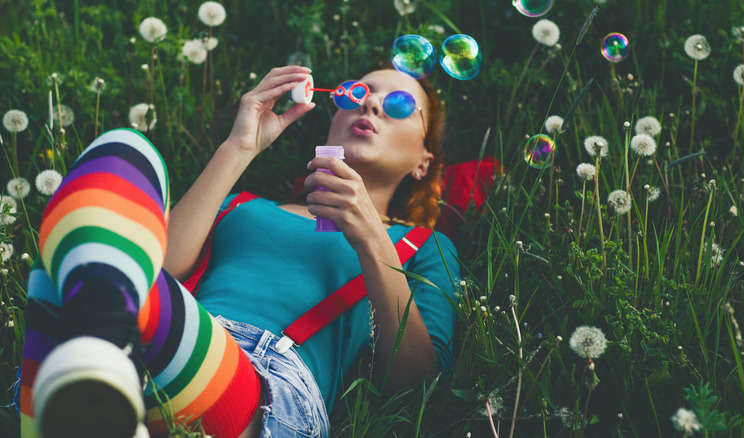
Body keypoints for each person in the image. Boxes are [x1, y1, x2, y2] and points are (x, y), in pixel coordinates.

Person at [17, 65, 459, 438]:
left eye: (400, 104)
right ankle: (101, 369)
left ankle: (88, 367)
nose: (370, 104)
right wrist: (240, 146)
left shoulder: (421, 245)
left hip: (262, 390)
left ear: (424, 161)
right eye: (356, 93)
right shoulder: (243, 205)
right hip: (174, 334)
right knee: (125, 149)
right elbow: (151, 268)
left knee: (73, 285)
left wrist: (372, 238)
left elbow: (416, 384)